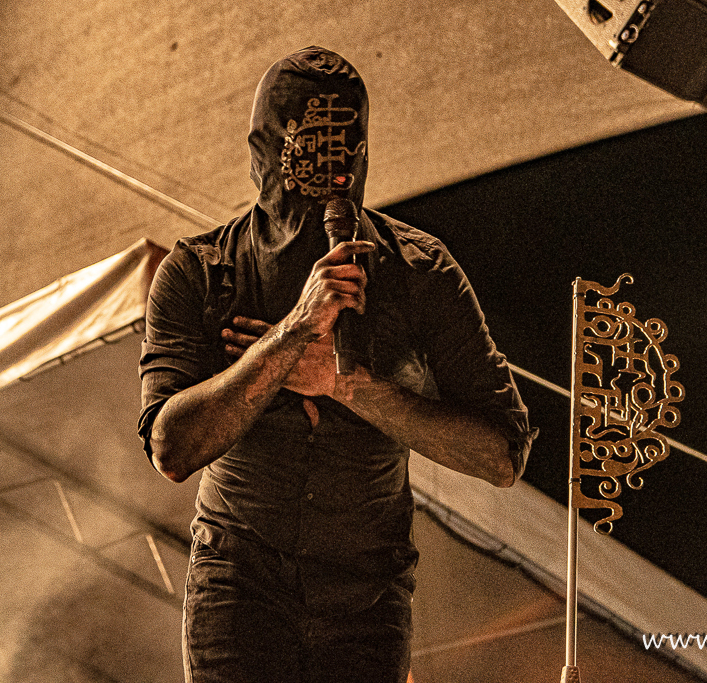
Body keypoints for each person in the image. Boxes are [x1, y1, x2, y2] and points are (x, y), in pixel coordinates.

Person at [138, 46, 535, 683]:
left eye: (340, 152)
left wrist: (344, 385)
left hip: (367, 596)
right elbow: (171, 449)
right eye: (306, 152)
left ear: (362, 155)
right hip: (239, 583)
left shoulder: (422, 272)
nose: (325, 175)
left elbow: (501, 456)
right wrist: (290, 335)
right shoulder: (200, 272)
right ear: (263, 153)